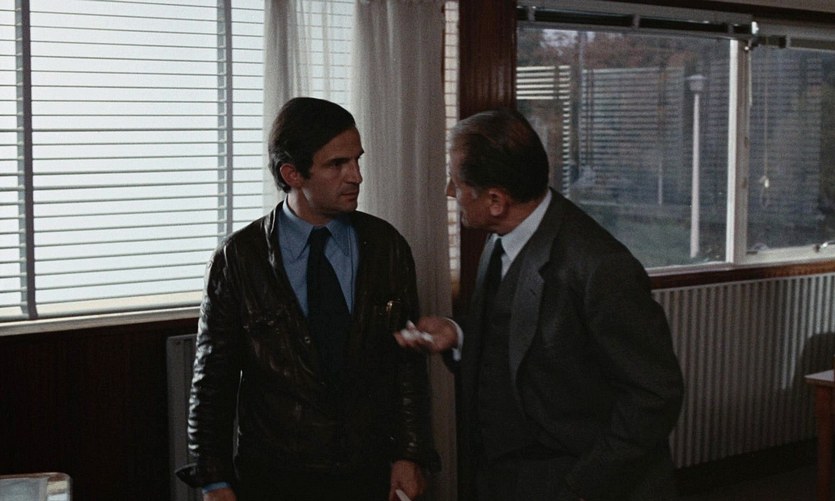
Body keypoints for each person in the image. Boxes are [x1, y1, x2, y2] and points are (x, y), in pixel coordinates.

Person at [396, 108, 684, 500]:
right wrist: (459, 334)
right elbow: (514, 334)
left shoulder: (601, 267)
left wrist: (581, 487)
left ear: (495, 200)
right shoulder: (501, 236)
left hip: (577, 482)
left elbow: (655, 395)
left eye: (457, 182)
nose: (450, 191)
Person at [179, 97, 438, 501]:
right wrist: (214, 479)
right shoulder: (240, 258)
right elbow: (213, 382)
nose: (356, 176)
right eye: (337, 164)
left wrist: (410, 453)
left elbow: (408, 364)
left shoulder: (385, 246)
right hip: (276, 474)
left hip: (367, 469)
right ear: (292, 173)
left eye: (357, 160)